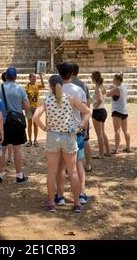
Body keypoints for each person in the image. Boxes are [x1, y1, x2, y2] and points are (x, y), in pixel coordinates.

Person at [33, 75, 90, 213]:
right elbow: (87, 112)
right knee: (73, 171)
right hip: (68, 136)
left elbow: (35, 117)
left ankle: (52, 203)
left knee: (51, 172)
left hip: (53, 136)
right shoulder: (70, 98)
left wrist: (45, 128)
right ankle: (77, 203)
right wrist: (80, 128)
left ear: (50, 85)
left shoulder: (45, 100)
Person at [56, 62, 90, 205]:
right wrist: (84, 129)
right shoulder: (79, 90)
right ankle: (81, 193)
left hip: (59, 132)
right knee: (78, 164)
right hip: (76, 131)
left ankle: (60, 195)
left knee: (61, 165)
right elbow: (85, 112)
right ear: (71, 74)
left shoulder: (56, 90)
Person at [0, 67, 30, 184]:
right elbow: (27, 107)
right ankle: (19, 175)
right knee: (17, 149)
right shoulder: (20, 89)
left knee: (1, 149)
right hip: (16, 123)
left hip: (1, 123)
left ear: (5, 76)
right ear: (16, 77)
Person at [71, 63, 92, 172]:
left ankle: (69, 166)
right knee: (86, 140)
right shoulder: (83, 85)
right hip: (82, 117)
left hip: (70, 118)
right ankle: (87, 164)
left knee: (69, 141)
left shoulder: (65, 84)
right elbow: (88, 104)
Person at [104, 73, 131, 154]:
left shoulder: (116, 89)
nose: (113, 81)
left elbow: (107, 94)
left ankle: (116, 149)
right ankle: (128, 147)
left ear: (117, 80)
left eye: (114, 79)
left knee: (117, 131)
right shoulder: (124, 88)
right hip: (124, 111)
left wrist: (101, 86)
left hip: (117, 111)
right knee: (125, 130)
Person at [91, 71, 111, 159]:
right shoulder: (102, 87)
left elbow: (100, 98)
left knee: (99, 134)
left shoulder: (97, 87)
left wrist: (95, 105)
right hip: (103, 110)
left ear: (94, 78)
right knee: (102, 132)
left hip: (98, 111)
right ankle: (108, 151)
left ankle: (100, 154)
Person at [24, 73, 45, 147]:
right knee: (29, 124)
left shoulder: (37, 85)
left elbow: (43, 86)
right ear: (29, 78)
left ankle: (35, 140)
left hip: (36, 107)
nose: (34, 79)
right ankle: (29, 140)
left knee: (35, 124)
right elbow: (25, 96)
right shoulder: (27, 87)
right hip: (29, 108)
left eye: (35, 78)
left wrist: (41, 76)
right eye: (33, 78)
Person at [1, 72, 13, 165]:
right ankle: (10, 157)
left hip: (1, 119)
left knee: (1, 140)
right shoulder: (16, 88)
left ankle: (0, 156)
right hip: (11, 119)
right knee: (10, 140)